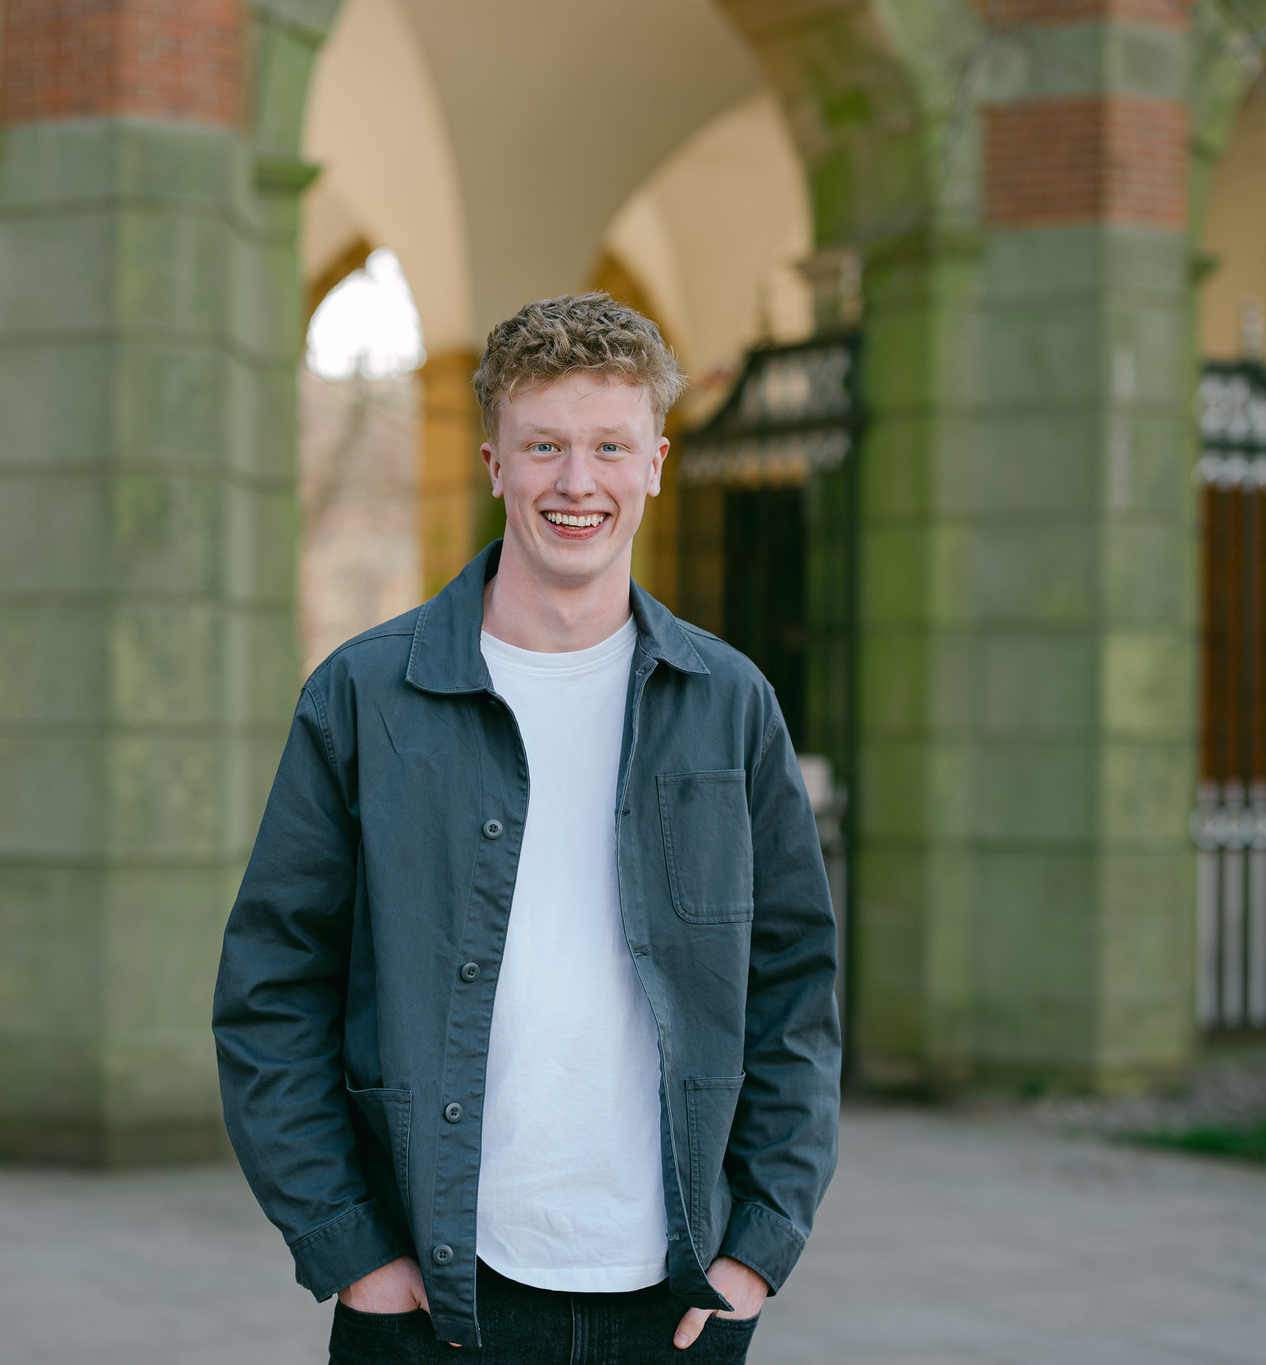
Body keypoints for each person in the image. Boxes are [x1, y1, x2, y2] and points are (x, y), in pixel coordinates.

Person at [213, 293, 841, 1363]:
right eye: (543, 445)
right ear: (495, 462)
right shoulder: (364, 696)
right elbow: (271, 990)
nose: (575, 482)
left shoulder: (728, 704)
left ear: (653, 463)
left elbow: (793, 987)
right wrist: (347, 1246)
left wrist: (756, 1248)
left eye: (608, 446)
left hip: (678, 1299)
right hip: (433, 1298)